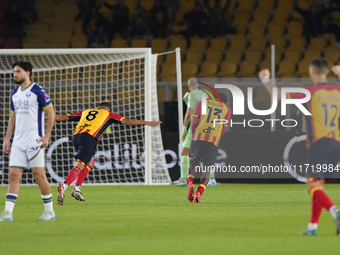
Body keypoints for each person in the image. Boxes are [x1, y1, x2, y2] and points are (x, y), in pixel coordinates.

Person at [259, 57, 340, 236]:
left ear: (311, 71)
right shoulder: (337, 89)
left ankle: (336, 212)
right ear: (326, 71)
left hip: (319, 144)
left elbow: (278, 95)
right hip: (336, 144)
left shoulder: (308, 91)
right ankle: (312, 226)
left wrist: (265, 78)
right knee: (318, 186)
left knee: (312, 188)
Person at [54, 102, 161, 205]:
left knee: (90, 161)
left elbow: (63, 117)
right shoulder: (108, 114)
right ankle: (63, 186)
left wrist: (46, 116)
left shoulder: (86, 112)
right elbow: (127, 121)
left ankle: (77, 189)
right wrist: (147, 123)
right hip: (89, 137)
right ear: (108, 109)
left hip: (76, 137)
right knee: (81, 164)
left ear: (98, 108)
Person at [0, 61, 56, 221]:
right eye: (14, 72)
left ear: (27, 73)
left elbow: (50, 112)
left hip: (34, 141)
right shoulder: (14, 93)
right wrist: (7, 139)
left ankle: (49, 211)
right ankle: (7, 212)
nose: (14, 75)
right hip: (18, 142)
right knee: (13, 176)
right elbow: (13, 117)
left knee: (39, 175)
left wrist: (47, 135)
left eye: (18, 71)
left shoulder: (38, 91)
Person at [172, 78, 218, 187]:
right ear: (197, 85)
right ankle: (211, 179)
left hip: (196, 127)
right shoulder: (205, 94)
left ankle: (184, 178)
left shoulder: (192, 95)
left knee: (184, 152)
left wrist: (184, 128)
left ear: (188, 86)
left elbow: (188, 114)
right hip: (208, 125)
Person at [187, 93, 231, 203]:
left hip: (198, 136)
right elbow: (223, 130)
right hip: (213, 140)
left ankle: (191, 184)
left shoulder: (201, 103)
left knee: (193, 163)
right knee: (207, 170)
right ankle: (198, 193)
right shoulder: (227, 109)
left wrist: (193, 134)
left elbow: (194, 122)